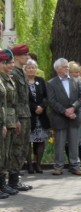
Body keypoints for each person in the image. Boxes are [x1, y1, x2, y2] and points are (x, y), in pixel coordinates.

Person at [47, 58, 81, 176]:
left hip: (73, 116)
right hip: (60, 117)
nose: (67, 68)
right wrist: (65, 111)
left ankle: (75, 166)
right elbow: (52, 101)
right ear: (58, 69)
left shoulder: (76, 81)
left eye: (67, 66)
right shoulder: (51, 83)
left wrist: (73, 108)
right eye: (64, 67)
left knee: (74, 143)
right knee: (60, 143)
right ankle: (58, 166)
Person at [9, 44, 32, 191]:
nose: (27, 58)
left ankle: (15, 178)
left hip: (26, 114)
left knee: (23, 147)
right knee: (16, 147)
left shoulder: (22, 72)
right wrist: (16, 118)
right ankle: (12, 180)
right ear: (16, 56)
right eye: (24, 55)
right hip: (19, 115)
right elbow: (14, 98)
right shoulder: (14, 74)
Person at [25, 59, 48, 174]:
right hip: (29, 116)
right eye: (29, 67)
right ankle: (29, 164)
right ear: (25, 69)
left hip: (41, 116)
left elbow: (46, 96)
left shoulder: (41, 81)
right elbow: (23, 99)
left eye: (33, 67)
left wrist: (42, 107)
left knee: (40, 140)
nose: (31, 69)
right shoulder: (22, 81)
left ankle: (37, 164)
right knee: (28, 141)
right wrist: (35, 108)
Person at [0, 49, 15, 196]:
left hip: (3, 120)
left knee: (4, 154)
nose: (6, 65)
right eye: (4, 62)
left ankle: (2, 184)